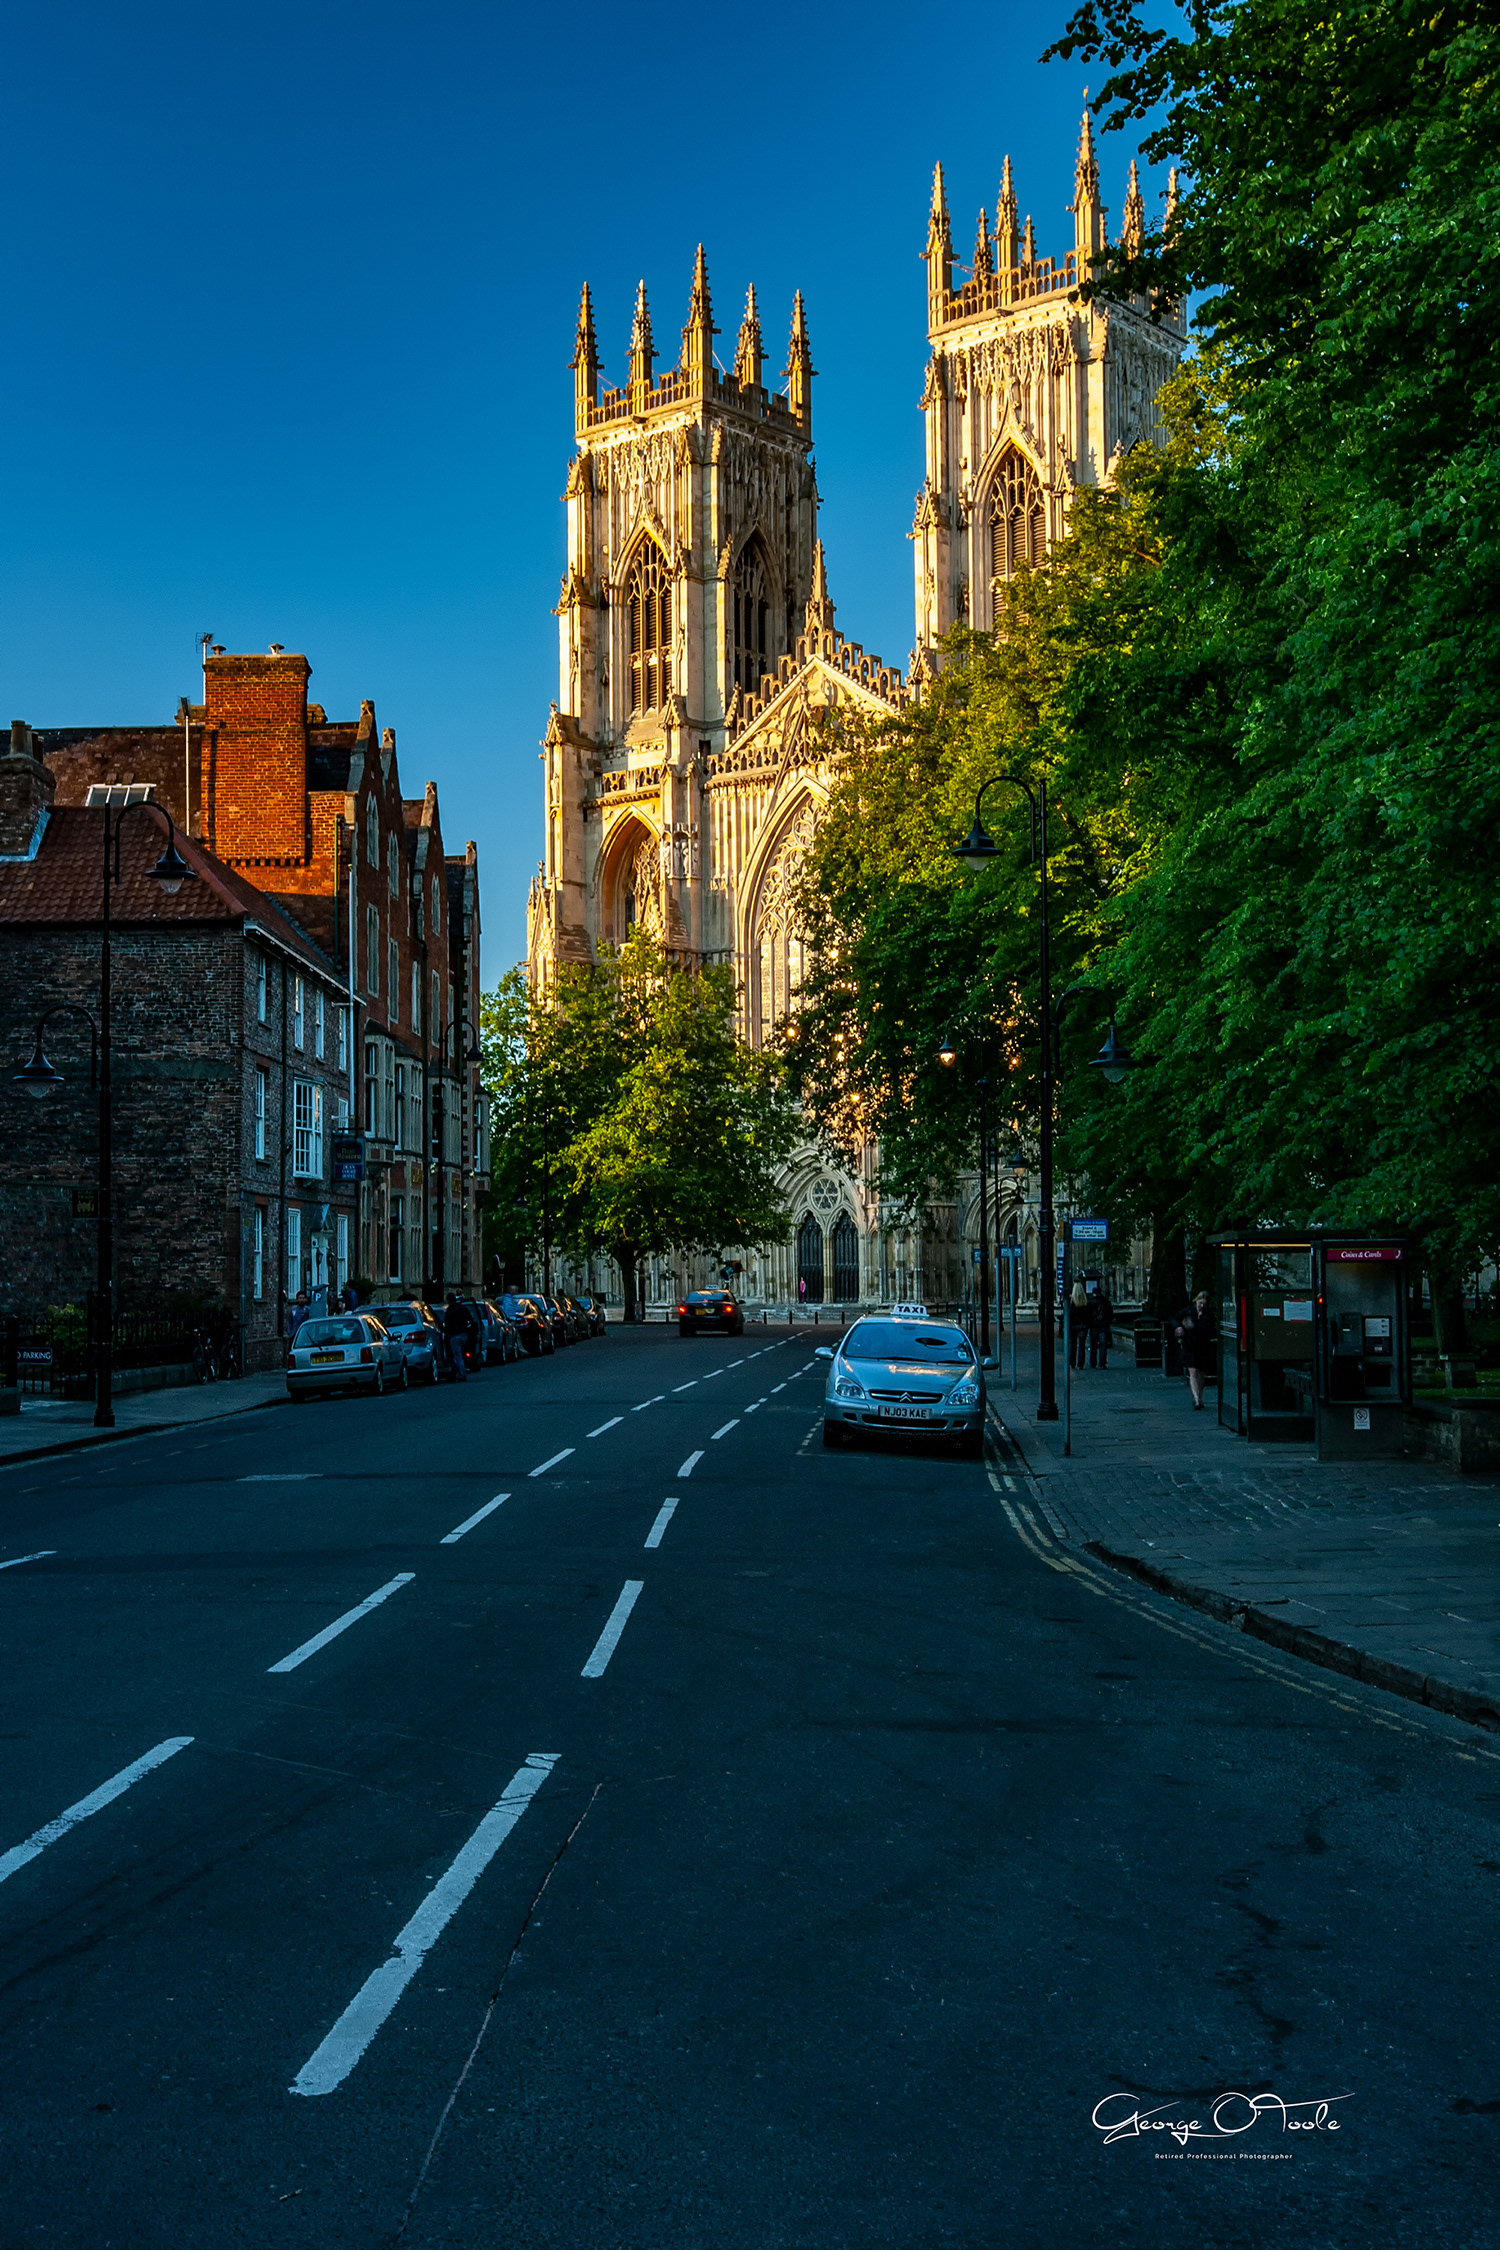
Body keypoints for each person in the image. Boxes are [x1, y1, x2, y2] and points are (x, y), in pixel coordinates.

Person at [1174, 1289, 1219, 1409]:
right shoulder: (1188, 1311)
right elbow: (1175, 1319)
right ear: (1196, 1301)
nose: (1201, 1306)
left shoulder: (1209, 1315)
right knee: (1193, 1372)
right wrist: (1178, 1327)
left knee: (1201, 1373)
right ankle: (1196, 1399)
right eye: (1200, 1303)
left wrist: (1192, 1327)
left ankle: (1200, 1396)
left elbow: (1208, 1330)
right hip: (1189, 1345)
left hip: (1203, 1346)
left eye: (1204, 1304)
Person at [443, 1292, 472, 1382]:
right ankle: (459, 1371)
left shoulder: (450, 1310)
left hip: (454, 1335)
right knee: (461, 1354)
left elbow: (447, 1324)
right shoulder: (462, 1308)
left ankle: (461, 1374)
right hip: (464, 1334)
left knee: (457, 1356)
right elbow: (470, 1319)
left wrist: (447, 1334)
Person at [1089, 1286, 1114, 1370]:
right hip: (1103, 1326)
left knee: (1093, 1344)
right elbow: (1110, 1314)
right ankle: (1102, 1363)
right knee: (1103, 1344)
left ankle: (1093, 1363)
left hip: (1093, 1326)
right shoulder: (1106, 1302)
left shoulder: (1090, 1302)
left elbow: (1087, 1315)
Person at [1068, 1278, 1090, 1369]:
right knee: (1082, 1345)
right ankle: (1080, 1363)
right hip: (1083, 1325)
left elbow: (1070, 1315)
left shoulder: (1072, 1301)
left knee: (1073, 1345)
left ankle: (1072, 1362)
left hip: (1073, 1326)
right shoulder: (1085, 1300)